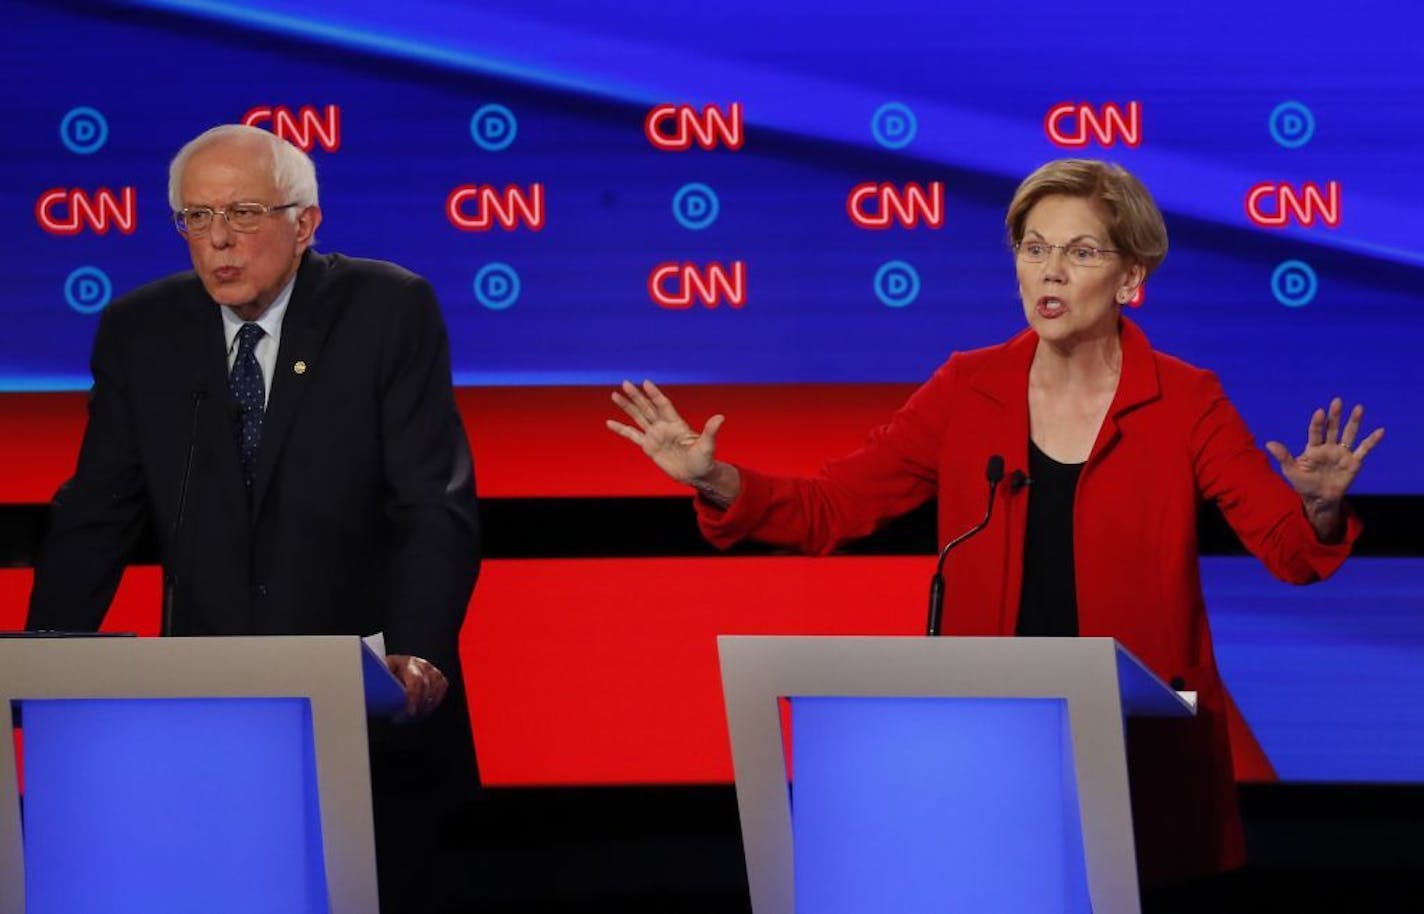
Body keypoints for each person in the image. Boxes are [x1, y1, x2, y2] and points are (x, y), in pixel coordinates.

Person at [607, 159, 1383, 898]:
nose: (1049, 271)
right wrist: (715, 478)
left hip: (1136, 746)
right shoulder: (967, 389)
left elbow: (1289, 551)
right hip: (991, 741)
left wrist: (1317, 507)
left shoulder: (1185, 400)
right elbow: (830, 507)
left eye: (1080, 252)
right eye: (1034, 248)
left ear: (1131, 279)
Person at [27, 124, 481, 910]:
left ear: (305, 224)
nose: (219, 242)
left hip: (369, 715)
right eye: (196, 218)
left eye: (243, 213)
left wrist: (417, 657)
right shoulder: (143, 331)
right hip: (213, 720)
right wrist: (39, 664)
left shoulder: (386, 309)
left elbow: (432, 506)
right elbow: (96, 513)